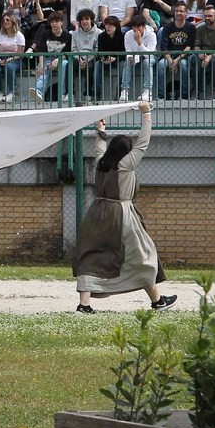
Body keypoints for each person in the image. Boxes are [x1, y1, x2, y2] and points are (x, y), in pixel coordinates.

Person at [72, 101, 176, 314]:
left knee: (91, 256)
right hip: (121, 214)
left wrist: (100, 131)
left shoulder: (101, 164)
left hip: (97, 214)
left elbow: (99, 148)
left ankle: (84, 304)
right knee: (142, 255)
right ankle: (157, 301)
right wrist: (146, 114)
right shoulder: (125, 165)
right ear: (125, 153)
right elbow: (143, 143)